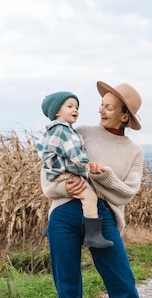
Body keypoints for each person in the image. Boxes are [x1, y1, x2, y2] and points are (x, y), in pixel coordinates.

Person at [39, 81, 152, 298]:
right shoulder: (80, 133)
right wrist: (68, 187)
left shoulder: (134, 152)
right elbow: (47, 180)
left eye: (109, 106)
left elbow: (126, 193)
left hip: (103, 216)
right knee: (69, 291)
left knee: (124, 288)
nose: (100, 110)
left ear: (124, 116)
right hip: (64, 213)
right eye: (101, 104)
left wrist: (101, 174)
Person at [36, 91, 113, 248]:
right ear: (57, 112)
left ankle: (50, 228)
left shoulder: (54, 129)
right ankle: (93, 235)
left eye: (77, 107)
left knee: (64, 201)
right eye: (70, 106)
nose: (75, 110)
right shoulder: (64, 130)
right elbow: (73, 151)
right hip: (65, 172)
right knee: (90, 197)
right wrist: (85, 164)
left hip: (57, 172)